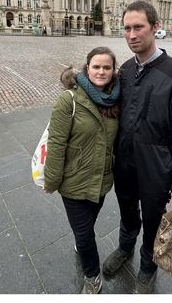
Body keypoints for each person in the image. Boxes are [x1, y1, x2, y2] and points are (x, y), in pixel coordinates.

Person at [102, 0, 172, 294]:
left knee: (154, 218)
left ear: (155, 27)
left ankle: (147, 265)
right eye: (126, 28)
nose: (131, 35)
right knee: (127, 210)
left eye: (138, 27)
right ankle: (124, 247)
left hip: (157, 166)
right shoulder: (126, 71)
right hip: (125, 162)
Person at [44, 47, 121, 294]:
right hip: (74, 180)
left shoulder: (117, 98)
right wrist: (52, 179)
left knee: (88, 223)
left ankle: (81, 242)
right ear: (87, 69)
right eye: (96, 67)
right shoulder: (69, 99)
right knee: (86, 234)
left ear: (113, 71)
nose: (101, 71)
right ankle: (92, 277)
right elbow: (56, 142)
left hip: (101, 179)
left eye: (106, 67)